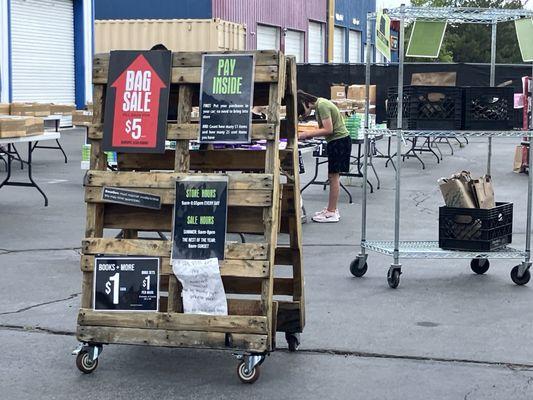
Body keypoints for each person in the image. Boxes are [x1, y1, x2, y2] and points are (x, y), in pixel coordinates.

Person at [297, 90, 352, 223]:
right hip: (337, 141)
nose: (303, 115)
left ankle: (331, 212)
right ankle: (331, 209)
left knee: (334, 177)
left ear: (305, 103)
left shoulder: (322, 105)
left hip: (339, 141)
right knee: (332, 176)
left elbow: (328, 130)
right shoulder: (321, 104)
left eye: (301, 111)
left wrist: (307, 134)